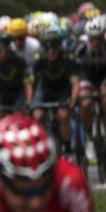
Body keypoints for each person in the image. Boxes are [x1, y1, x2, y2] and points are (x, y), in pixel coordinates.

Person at [75, 16, 106, 162]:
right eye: (93, 39)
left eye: (99, 39)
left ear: (104, 37)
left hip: (105, 76)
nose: (96, 42)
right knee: (86, 103)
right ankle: (89, 140)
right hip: (87, 77)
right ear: (88, 38)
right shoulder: (81, 48)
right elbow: (76, 73)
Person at [31, 26, 80, 154]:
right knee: (37, 115)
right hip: (45, 89)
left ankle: (68, 148)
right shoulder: (39, 59)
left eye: (54, 47)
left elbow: (75, 82)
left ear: (59, 46)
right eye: (47, 48)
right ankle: (44, 143)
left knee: (63, 115)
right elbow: (32, 83)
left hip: (63, 90)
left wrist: (74, 98)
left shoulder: (67, 58)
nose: (51, 51)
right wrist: (30, 100)